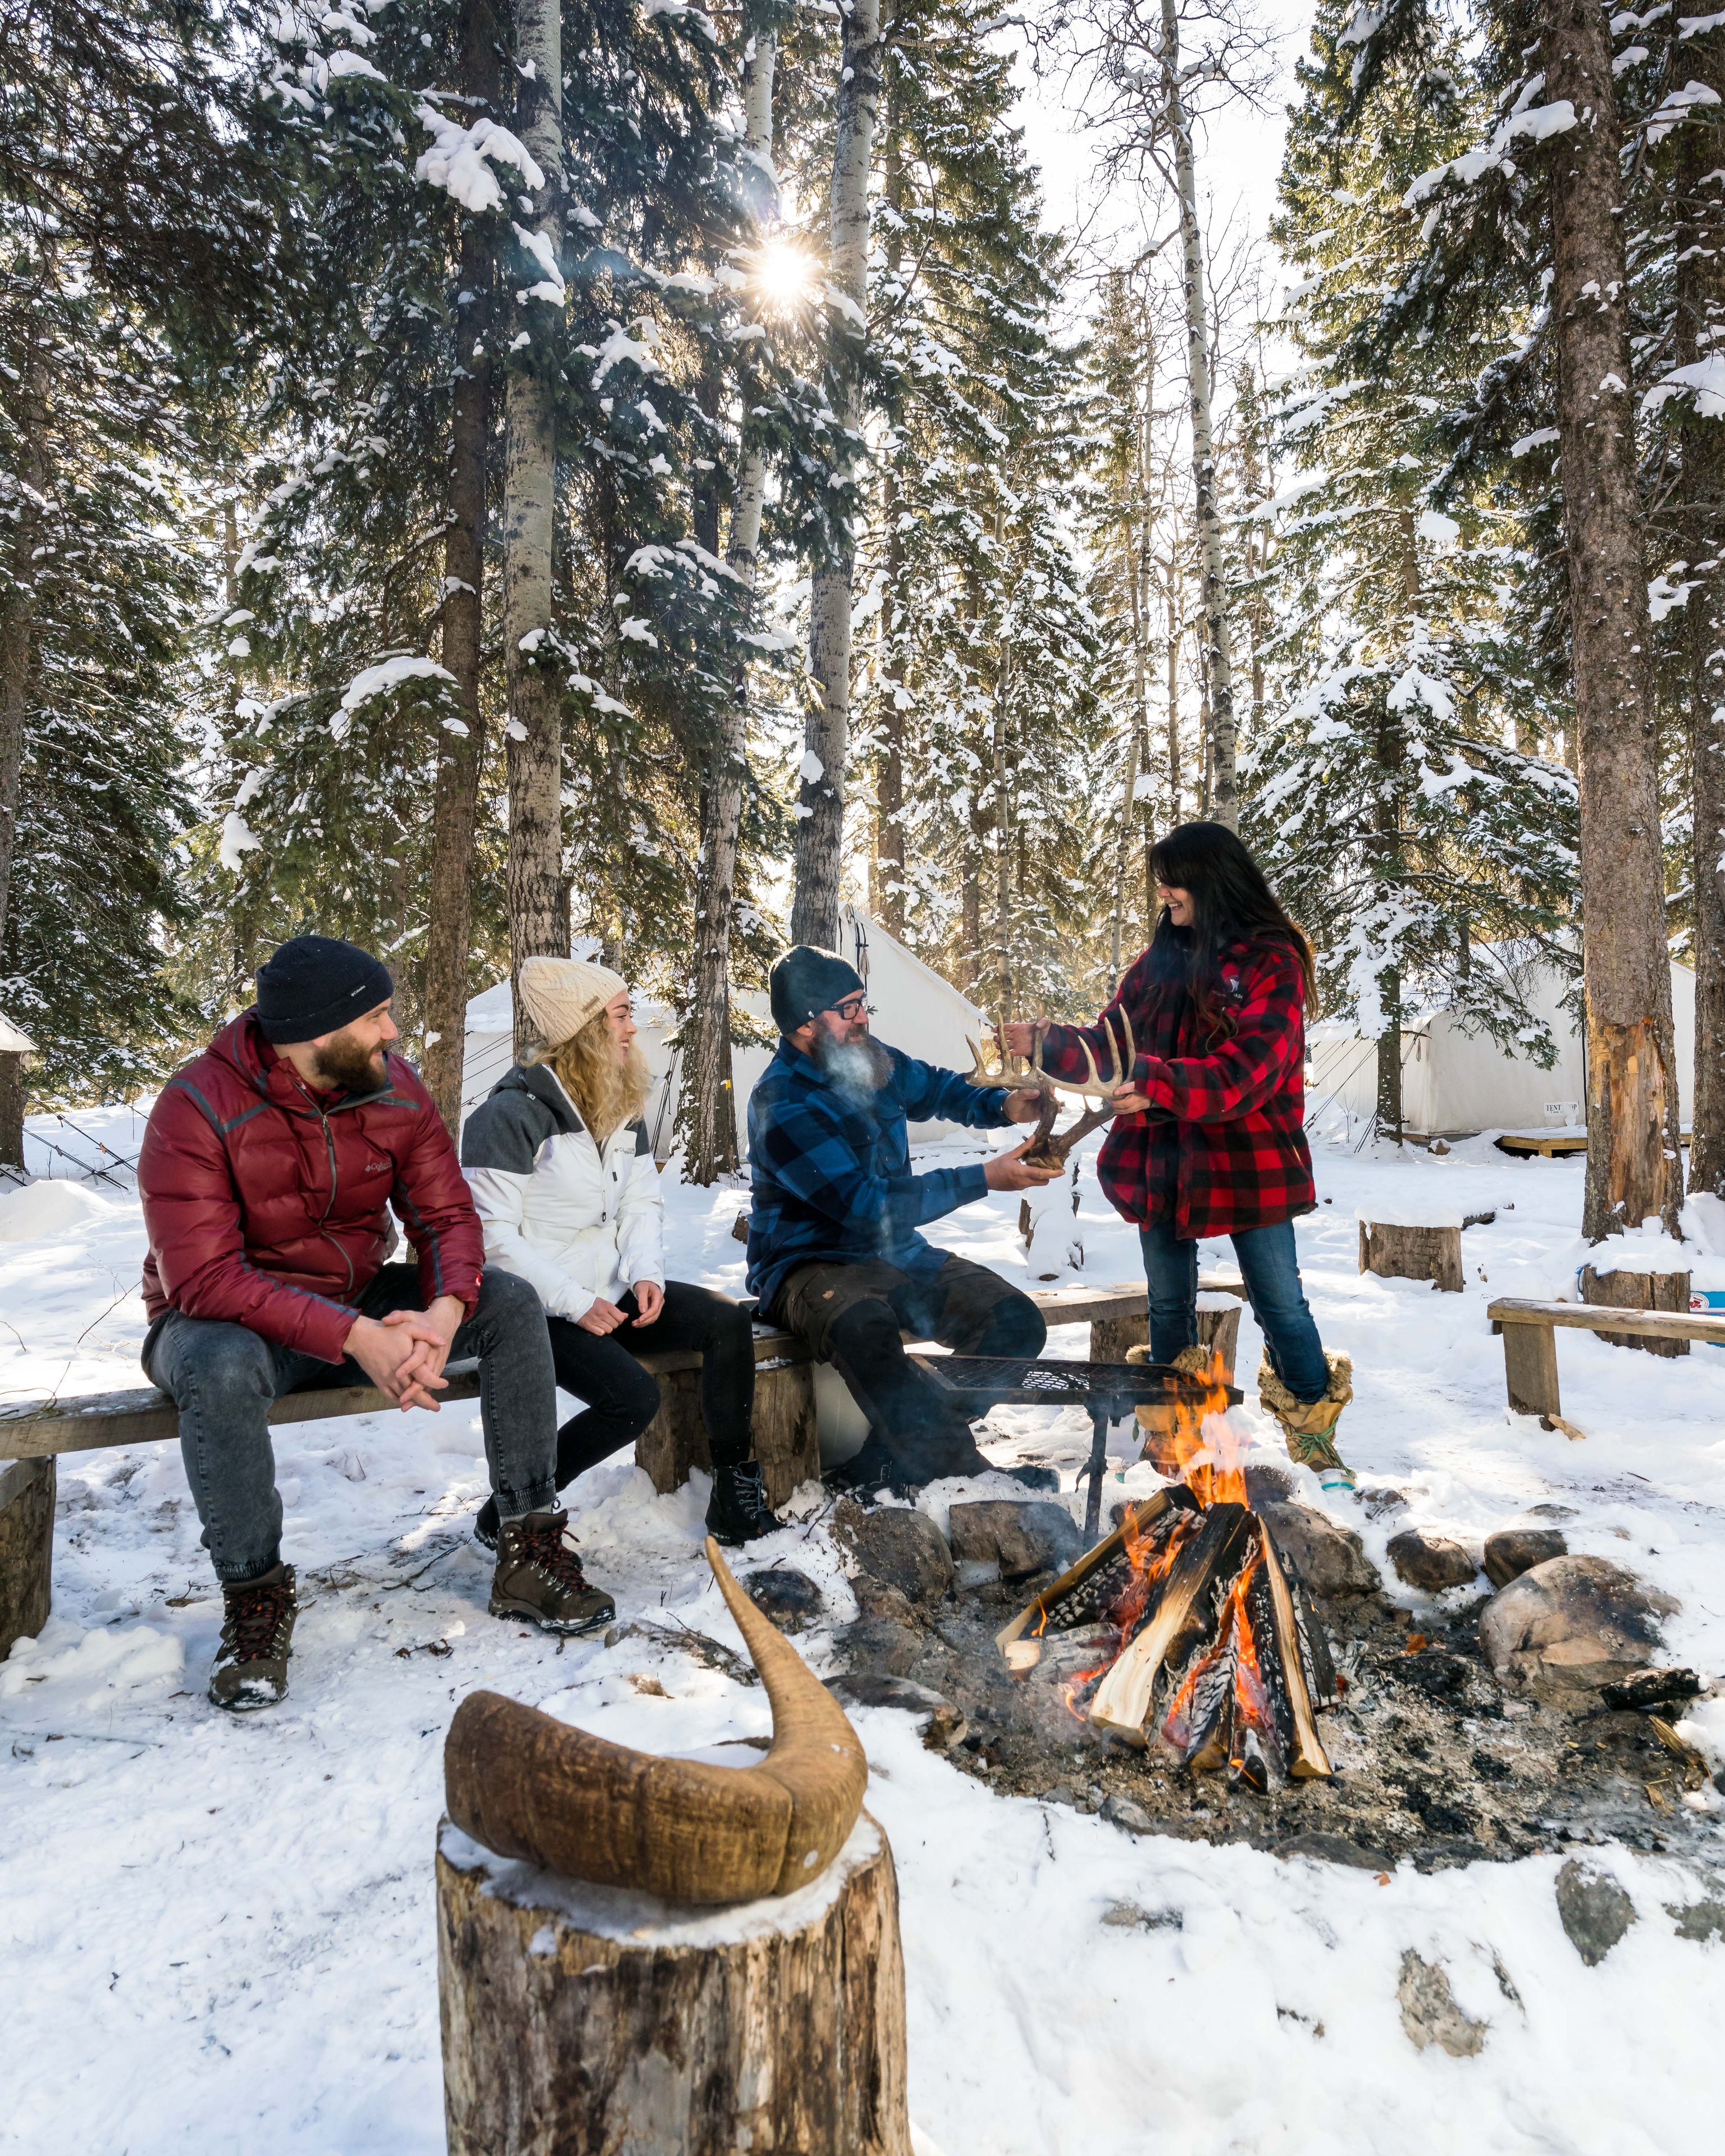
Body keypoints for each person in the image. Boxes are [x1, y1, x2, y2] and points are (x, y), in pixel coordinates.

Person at [138, 935, 615, 1713]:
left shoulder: (395, 1090)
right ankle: (254, 1601)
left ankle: (527, 1545)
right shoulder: (195, 1105)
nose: (393, 1034)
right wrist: (359, 1338)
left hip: (356, 1295)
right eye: (378, 1018)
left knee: (510, 1301)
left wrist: (443, 1309)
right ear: (318, 1032)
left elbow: (447, 1214)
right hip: (223, 1322)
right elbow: (205, 1277)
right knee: (217, 1367)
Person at [1008, 821, 1355, 1492]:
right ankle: (1171, 1446)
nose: (1163, 892)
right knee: (1169, 1306)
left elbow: (1248, 1071)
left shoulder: (1269, 960)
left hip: (1248, 1162)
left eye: (1175, 879)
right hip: (1164, 1160)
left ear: (1213, 880)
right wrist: (1043, 1043)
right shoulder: (1159, 961)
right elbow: (1113, 1045)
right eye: (1161, 879)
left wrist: (1158, 1084)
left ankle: (1315, 1447)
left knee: (1279, 1303)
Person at [460, 957, 782, 1546]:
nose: (632, 1029)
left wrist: (646, 1274)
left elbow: (639, 1202)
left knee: (726, 1321)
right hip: (535, 1309)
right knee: (631, 1399)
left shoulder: (618, 1102)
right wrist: (574, 1302)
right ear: (585, 1031)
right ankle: (504, 1513)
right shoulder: (508, 1116)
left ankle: (734, 1490)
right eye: (621, 1015)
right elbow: (491, 1241)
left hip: (609, 1291)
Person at [747, 942, 1062, 1497]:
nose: (862, 1018)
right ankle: (962, 1472)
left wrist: (1004, 1107)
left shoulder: (866, 1055)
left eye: (863, 1003)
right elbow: (867, 1206)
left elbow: (937, 1087)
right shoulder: (783, 1103)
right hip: (810, 1264)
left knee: (1015, 1321)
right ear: (804, 1026)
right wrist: (984, 1178)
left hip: (893, 1254)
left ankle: (896, 1453)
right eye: (846, 1009)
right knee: (865, 1329)